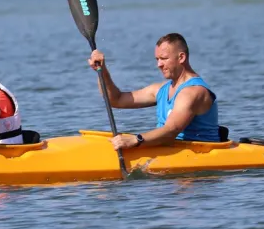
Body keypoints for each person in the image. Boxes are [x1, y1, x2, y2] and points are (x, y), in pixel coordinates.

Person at [87, 32, 220, 151]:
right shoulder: (160, 90)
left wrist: (135, 140)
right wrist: (102, 71)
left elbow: (171, 131)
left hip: (199, 155)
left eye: (164, 58)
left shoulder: (193, 92)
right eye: (157, 59)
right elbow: (116, 99)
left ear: (181, 58)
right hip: (169, 149)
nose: (159, 65)